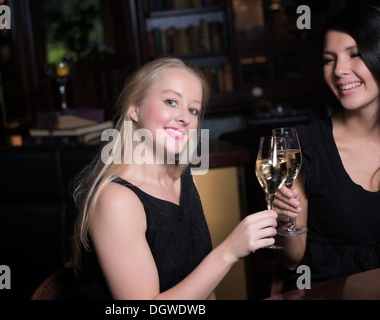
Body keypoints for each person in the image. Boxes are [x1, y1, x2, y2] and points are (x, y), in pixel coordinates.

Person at [68, 57, 278, 299]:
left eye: (193, 109)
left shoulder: (185, 177)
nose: (185, 118)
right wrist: (229, 251)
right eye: (171, 101)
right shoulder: (116, 201)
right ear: (134, 109)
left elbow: (202, 288)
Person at [272, 2, 380, 292]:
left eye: (354, 55)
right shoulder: (304, 145)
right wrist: (284, 218)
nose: (339, 70)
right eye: (328, 59)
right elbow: (291, 259)